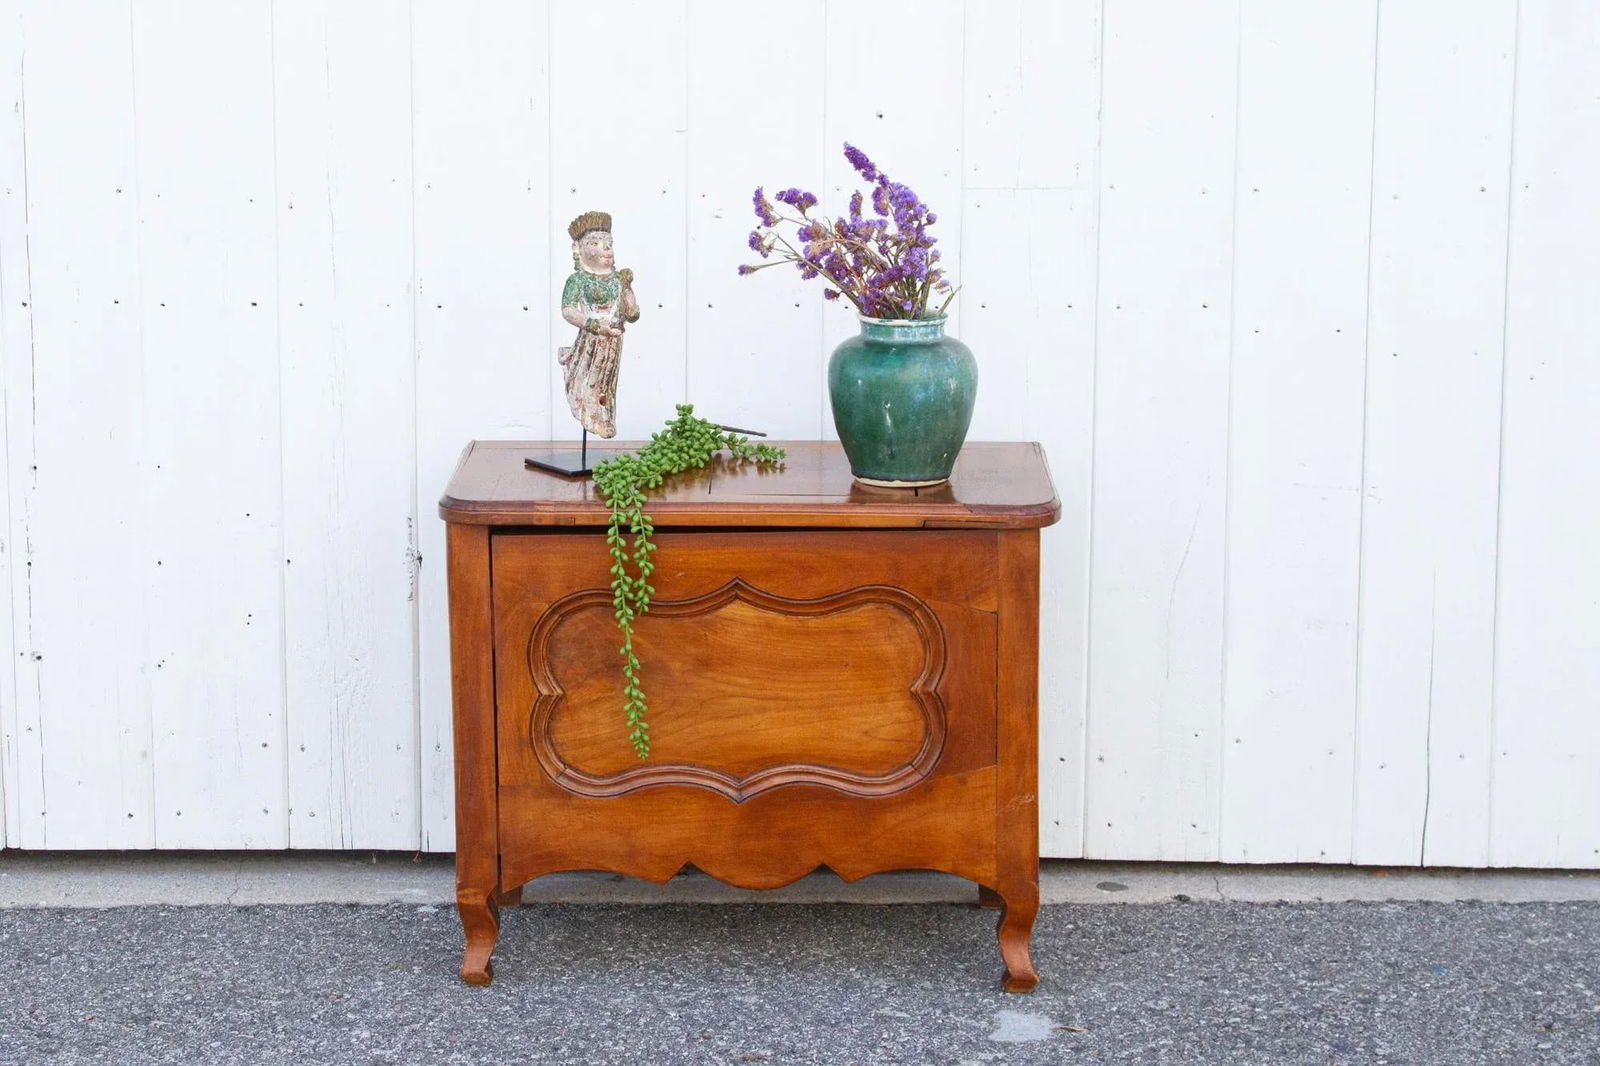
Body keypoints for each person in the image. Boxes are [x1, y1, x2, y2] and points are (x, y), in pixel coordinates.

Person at [558, 211, 639, 438]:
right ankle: (590, 417)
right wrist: (594, 324)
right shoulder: (578, 280)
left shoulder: (616, 279)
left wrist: (627, 287)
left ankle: (603, 419)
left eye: (609, 243)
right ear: (579, 248)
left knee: (606, 385)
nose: (606, 248)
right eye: (595, 243)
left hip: (612, 342)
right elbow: (568, 310)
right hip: (592, 341)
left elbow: (632, 314)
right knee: (588, 383)